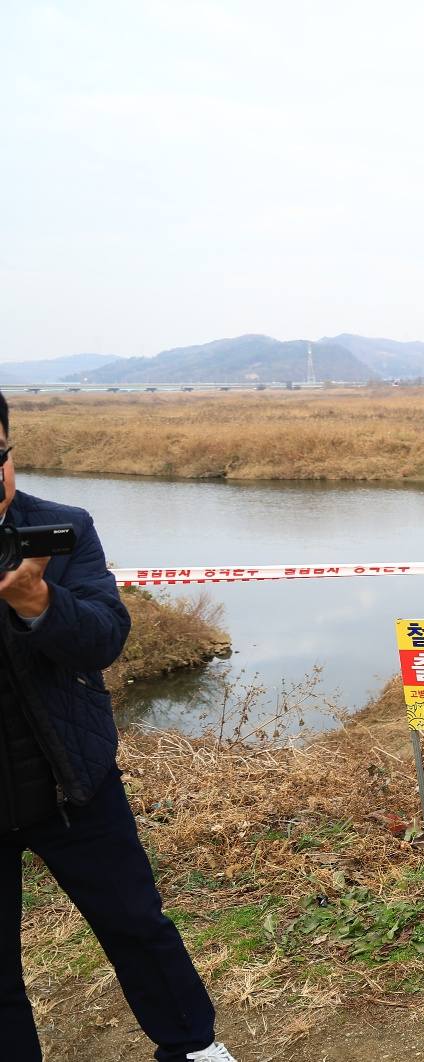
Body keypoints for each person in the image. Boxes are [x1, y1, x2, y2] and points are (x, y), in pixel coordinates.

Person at [0, 393, 238, 1062]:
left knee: (136, 923)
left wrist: (39, 601)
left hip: (73, 781)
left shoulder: (60, 528)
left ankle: (193, 1048)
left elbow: (106, 639)